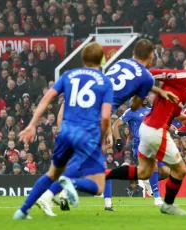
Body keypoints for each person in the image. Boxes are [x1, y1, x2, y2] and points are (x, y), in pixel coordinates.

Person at [36, 39, 177, 215]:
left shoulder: (121, 62)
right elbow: (134, 106)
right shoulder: (147, 78)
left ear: (134, 52)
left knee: (84, 160)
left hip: (84, 107)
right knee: (92, 165)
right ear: (151, 55)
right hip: (95, 116)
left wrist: (157, 91)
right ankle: (52, 193)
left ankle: (58, 193)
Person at [13, 42, 114, 219]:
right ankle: (71, 182)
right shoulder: (105, 82)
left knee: (52, 173)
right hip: (87, 135)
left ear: (82, 58)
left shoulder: (69, 75)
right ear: (101, 59)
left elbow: (47, 97)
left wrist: (31, 125)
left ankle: (22, 210)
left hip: (65, 132)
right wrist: (102, 140)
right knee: (98, 187)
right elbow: (105, 117)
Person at [106, 49, 186, 215]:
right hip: (155, 129)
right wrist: (147, 89)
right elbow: (151, 73)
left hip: (149, 127)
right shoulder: (184, 77)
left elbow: (166, 104)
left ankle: (104, 174)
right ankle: (166, 204)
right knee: (180, 170)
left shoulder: (185, 83)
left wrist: (179, 116)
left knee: (145, 172)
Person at [113, 98, 170, 206]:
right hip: (140, 144)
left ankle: (148, 178)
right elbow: (115, 125)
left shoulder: (151, 110)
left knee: (166, 172)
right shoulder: (131, 111)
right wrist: (119, 140)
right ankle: (157, 198)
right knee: (154, 165)